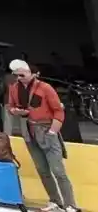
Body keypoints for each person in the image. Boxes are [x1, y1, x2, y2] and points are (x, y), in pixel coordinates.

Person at [5, 59, 78, 212]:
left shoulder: (45, 88)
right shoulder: (14, 88)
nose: (19, 78)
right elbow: (9, 106)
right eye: (16, 75)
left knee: (58, 170)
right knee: (42, 169)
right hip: (28, 129)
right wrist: (15, 112)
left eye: (22, 75)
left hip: (46, 128)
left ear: (32, 74)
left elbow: (58, 111)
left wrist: (52, 131)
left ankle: (70, 204)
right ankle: (55, 201)